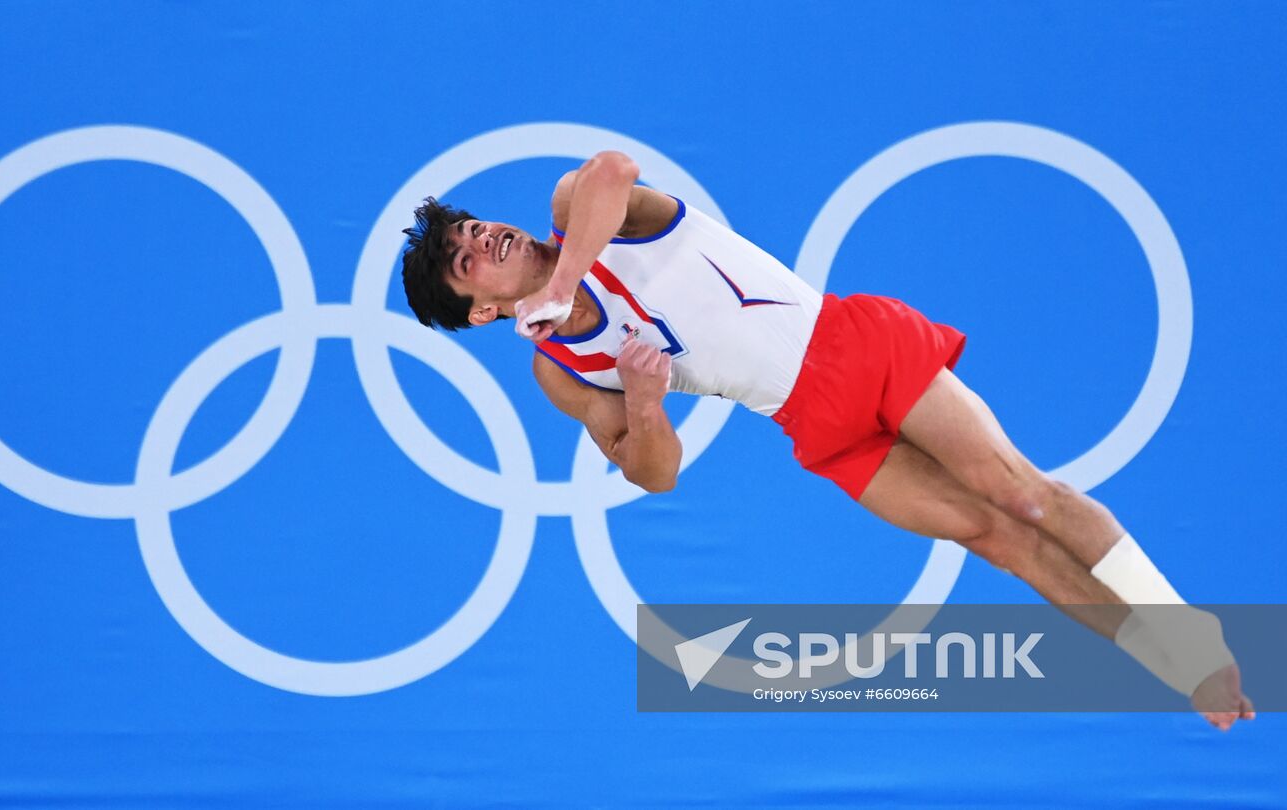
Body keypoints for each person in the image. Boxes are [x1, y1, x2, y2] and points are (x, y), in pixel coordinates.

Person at [400, 150, 1253, 730]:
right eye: (465, 258)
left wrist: (574, 274)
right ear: (481, 311)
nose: (482, 237)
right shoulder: (560, 369)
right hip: (813, 424)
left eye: (473, 227)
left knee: (1022, 494)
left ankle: (1188, 633)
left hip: (857, 345)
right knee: (1001, 543)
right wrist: (651, 405)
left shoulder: (577, 212)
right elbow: (652, 474)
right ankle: (1176, 669)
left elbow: (615, 171)